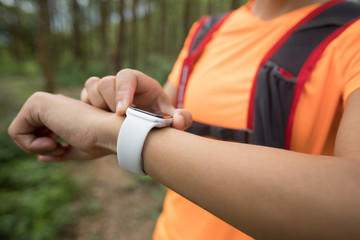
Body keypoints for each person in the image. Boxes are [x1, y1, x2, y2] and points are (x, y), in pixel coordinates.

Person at [8, 0, 360, 239]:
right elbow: (168, 119)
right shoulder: (206, 31)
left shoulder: (351, 35)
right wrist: (115, 111)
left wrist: (115, 134)